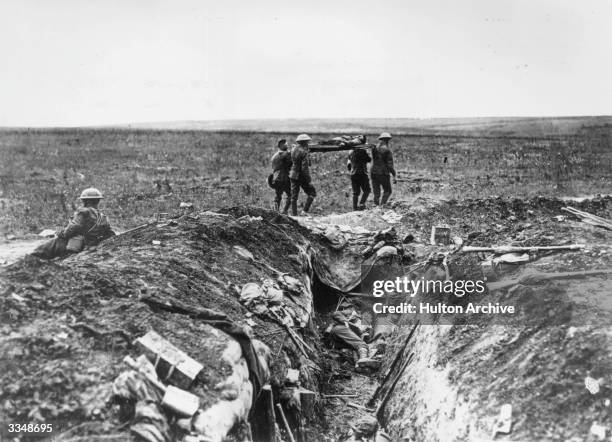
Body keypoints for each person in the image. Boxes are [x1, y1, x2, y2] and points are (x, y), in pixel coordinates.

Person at [32, 188, 115, 259]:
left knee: (43, 249)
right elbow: (111, 234)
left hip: (78, 244)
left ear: (85, 201)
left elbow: (73, 227)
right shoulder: (103, 217)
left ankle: (31, 258)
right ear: (98, 201)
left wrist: (61, 233)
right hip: (91, 244)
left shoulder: (84, 212)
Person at [289, 134, 316, 216]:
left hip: (293, 174)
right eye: (307, 142)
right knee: (312, 193)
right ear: (304, 143)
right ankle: (304, 212)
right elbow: (305, 168)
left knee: (294, 196)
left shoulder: (293, 149)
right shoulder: (304, 152)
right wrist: (309, 180)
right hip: (301, 176)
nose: (308, 144)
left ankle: (294, 215)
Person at [370, 132, 396, 206]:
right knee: (388, 191)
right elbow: (390, 166)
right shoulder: (387, 150)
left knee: (376, 191)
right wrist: (394, 174)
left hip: (373, 172)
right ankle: (382, 206)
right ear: (387, 140)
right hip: (383, 173)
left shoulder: (374, 148)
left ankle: (375, 206)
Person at [270, 138, 292, 214]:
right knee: (291, 195)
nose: (287, 145)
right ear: (281, 145)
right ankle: (285, 211)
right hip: (284, 178)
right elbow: (291, 163)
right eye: (286, 144)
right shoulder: (286, 154)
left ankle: (276, 212)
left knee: (278, 196)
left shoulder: (274, 155)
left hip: (276, 178)